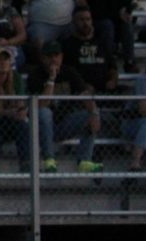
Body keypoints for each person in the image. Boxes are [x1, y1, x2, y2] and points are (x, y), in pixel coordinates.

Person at [27, 39, 103, 174]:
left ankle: (84, 161)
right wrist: (51, 79)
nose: (53, 59)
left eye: (56, 55)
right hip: (40, 128)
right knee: (45, 112)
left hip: (64, 124)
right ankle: (49, 159)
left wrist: (94, 113)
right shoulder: (35, 74)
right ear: (43, 58)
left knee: (89, 115)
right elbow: (42, 104)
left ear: (61, 56)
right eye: (49, 56)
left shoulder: (69, 72)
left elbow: (85, 94)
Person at [62, 6, 119, 94]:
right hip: (80, 93)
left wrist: (113, 80)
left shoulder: (101, 43)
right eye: (81, 20)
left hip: (104, 91)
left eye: (88, 19)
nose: (85, 23)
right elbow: (66, 73)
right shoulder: (67, 45)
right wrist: (82, 86)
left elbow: (112, 67)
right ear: (73, 21)